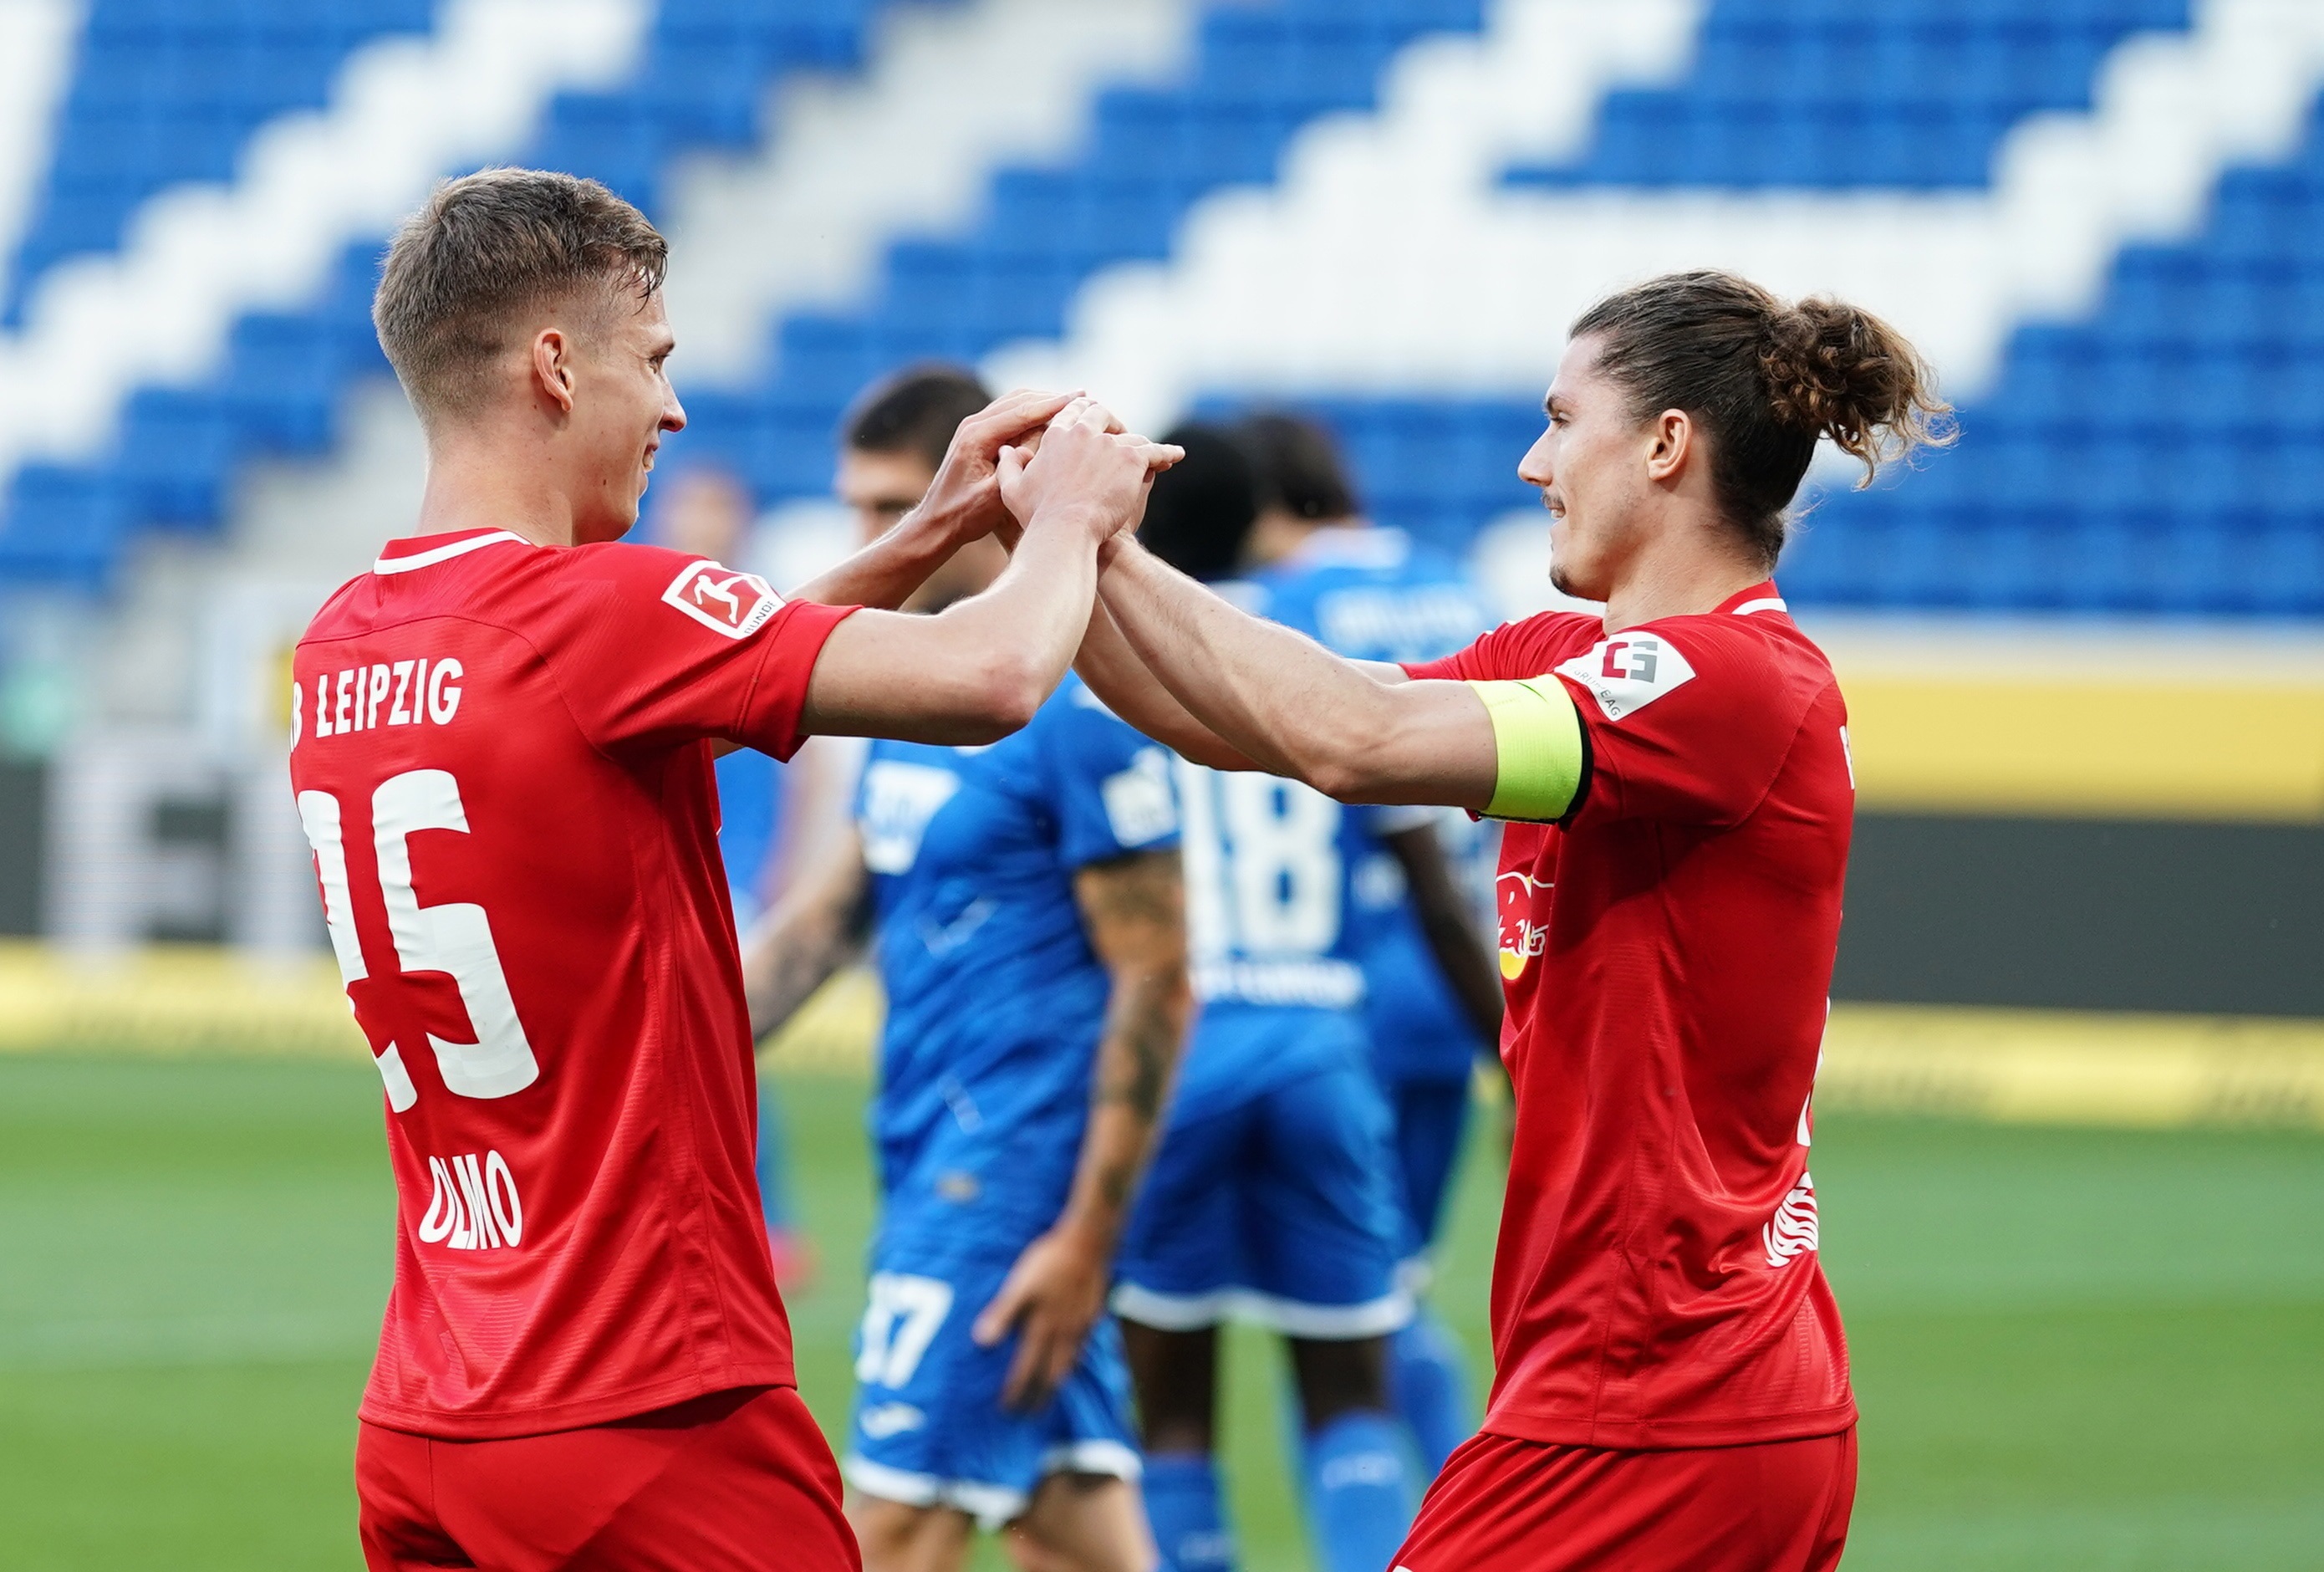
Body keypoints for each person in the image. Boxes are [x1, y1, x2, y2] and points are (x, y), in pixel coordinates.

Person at [288, 166, 1176, 1572]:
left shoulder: (350, 637)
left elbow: (668, 677)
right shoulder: (598, 610)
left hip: (432, 1414)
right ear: (554, 364)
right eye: (656, 362)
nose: (676, 409)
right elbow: (998, 672)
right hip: (647, 1400)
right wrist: (1067, 510)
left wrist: (929, 533)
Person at [1074, 270, 1952, 1571]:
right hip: (1675, 1391)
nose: (1532, 460)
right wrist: (1049, 551)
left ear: (1665, 445)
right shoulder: (1576, 653)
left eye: (1559, 418)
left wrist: (1100, 542)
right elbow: (1246, 721)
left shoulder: (1727, 679)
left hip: (1656, 1399)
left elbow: (1356, 742)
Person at [736, 360, 1193, 1572]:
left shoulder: (1080, 699)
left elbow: (1159, 976)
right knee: (1078, 1536)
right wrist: (659, 1051)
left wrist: (1086, 1237)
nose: (875, 538)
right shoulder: (916, 685)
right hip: (932, 1156)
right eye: (860, 510)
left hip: (1004, 1191)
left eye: (895, 507)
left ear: (992, 493)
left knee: (883, 1529)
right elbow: (835, 918)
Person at [1112, 426, 1421, 1572]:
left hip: (1183, 1050)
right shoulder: (1319, 653)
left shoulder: (1126, 661)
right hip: (1319, 1044)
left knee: (1173, 1402)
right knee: (1348, 1391)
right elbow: (1426, 878)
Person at [1231, 413, 1503, 1477]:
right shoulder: (1458, 590)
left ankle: (1460, 1504)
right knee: (1395, 1283)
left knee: (1346, 1311)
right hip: (1461, 984)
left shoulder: (1280, 610)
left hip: (1336, 991)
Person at [654, 462, 813, 1286]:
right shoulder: (645, 602)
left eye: (715, 509)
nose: (701, 525)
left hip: (735, 864)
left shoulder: (755, 611)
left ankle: (766, 1216)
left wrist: (784, 858)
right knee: (683, 1044)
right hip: (664, 859)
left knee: (726, 1038)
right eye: (691, 509)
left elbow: (800, 753)